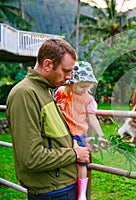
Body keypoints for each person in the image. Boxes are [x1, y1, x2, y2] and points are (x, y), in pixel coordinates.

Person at [6, 38, 90, 200]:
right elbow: (31, 158)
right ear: (48, 65)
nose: (69, 77)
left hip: (62, 186)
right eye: (66, 71)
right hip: (52, 192)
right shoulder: (25, 94)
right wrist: (74, 154)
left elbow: (51, 136)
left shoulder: (44, 90)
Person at [55, 61, 108, 200]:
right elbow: (53, 108)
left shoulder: (88, 99)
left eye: (87, 87)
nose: (85, 89)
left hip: (79, 133)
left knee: (82, 162)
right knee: (64, 158)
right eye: (82, 86)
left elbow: (92, 119)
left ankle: (82, 194)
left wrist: (101, 135)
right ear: (72, 82)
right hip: (63, 132)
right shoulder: (61, 93)